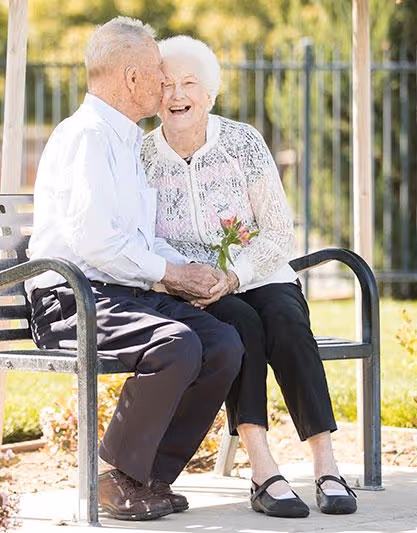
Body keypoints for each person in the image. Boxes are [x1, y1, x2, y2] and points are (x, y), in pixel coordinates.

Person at [26, 19, 243, 522]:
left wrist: (190, 269)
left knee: (223, 344)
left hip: (121, 293)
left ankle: (145, 478)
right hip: (71, 299)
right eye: (156, 73)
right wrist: (170, 273)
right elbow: (96, 242)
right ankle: (112, 476)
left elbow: (137, 238)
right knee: (175, 344)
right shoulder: (88, 138)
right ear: (130, 77)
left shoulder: (124, 141)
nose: (165, 83)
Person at [140, 35, 358, 518]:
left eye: (189, 83)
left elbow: (278, 229)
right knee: (242, 326)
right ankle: (263, 469)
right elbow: (143, 237)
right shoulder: (144, 157)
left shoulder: (242, 142)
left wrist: (235, 274)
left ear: (210, 91)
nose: (177, 95)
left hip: (258, 271)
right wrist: (182, 277)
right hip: (193, 287)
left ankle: (327, 464)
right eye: (166, 84)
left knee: (285, 319)